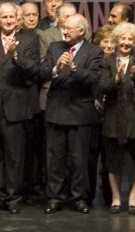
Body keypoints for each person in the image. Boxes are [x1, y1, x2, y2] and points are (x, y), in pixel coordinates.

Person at [0, 2, 43, 213]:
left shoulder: (29, 40)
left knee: (15, 157)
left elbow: (34, 69)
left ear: (17, 19)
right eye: (4, 17)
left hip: (15, 108)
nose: (8, 20)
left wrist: (15, 56)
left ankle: (13, 198)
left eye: (11, 17)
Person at [42, 14, 102, 213]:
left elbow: (93, 78)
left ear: (81, 31)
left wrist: (74, 68)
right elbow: (42, 72)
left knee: (79, 160)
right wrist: (56, 69)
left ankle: (79, 198)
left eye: (68, 28)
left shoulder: (94, 51)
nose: (64, 31)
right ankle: (55, 197)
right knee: (55, 159)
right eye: (64, 27)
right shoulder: (55, 48)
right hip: (56, 111)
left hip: (80, 114)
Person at [98, 22, 135, 213]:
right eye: (123, 38)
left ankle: (133, 197)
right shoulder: (107, 61)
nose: (126, 42)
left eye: (130, 39)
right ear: (116, 40)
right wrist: (117, 79)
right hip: (113, 117)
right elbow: (102, 87)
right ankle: (117, 198)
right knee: (113, 160)